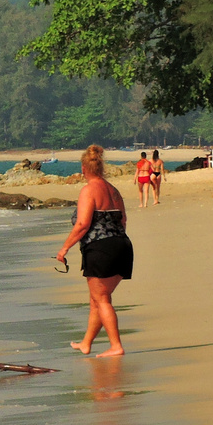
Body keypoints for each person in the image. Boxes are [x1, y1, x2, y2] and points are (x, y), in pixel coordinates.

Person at [57, 144, 131, 356]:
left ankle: (116, 346)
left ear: (83, 168)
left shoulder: (88, 190)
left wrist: (64, 248)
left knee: (102, 299)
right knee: (97, 299)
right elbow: (123, 220)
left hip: (101, 249)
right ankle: (86, 343)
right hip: (123, 246)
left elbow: (82, 224)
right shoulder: (113, 190)